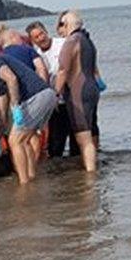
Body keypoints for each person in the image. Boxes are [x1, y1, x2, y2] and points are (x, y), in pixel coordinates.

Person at [0, 45, 57, 185]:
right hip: (47, 96)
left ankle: (24, 183)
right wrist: (0, 125)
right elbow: (2, 99)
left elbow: (11, 79)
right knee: (25, 140)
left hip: (36, 97)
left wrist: (15, 106)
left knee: (15, 141)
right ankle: (31, 176)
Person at [53, 10, 102, 173]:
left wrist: (55, 94)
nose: (60, 31)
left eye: (61, 26)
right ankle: (94, 166)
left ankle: (90, 174)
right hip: (92, 89)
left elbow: (63, 70)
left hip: (78, 92)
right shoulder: (88, 41)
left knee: (83, 137)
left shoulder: (72, 41)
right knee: (90, 129)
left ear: (66, 24)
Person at [28, 21, 79, 158]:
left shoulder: (62, 44)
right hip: (53, 102)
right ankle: (58, 173)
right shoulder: (36, 55)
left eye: (42, 34)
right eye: (36, 37)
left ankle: (78, 170)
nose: (41, 38)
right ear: (33, 41)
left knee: (76, 138)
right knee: (56, 142)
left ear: (46, 31)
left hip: (71, 96)